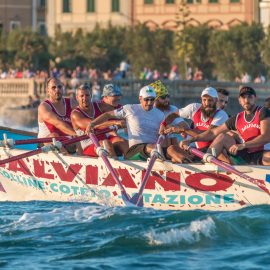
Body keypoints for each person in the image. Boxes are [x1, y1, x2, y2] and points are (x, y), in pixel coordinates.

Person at [86, 85, 191, 163]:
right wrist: (92, 124)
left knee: (172, 149)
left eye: (152, 100)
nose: (149, 103)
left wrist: (174, 129)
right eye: (146, 100)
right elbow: (107, 115)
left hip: (155, 149)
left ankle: (189, 164)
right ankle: (161, 158)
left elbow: (167, 133)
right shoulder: (129, 109)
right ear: (140, 98)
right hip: (134, 151)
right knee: (154, 147)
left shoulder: (160, 114)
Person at [180, 86, 270, 165]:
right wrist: (190, 140)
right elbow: (212, 132)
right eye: (243, 97)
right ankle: (205, 164)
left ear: (255, 98)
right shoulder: (237, 118)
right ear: (239, 100)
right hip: (244, 155)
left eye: (250, 97)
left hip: (261, 154)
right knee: (222, 137)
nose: (246, 100)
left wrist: (244, 145)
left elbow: (266, 137)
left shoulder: (263, 111)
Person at [161, 87, 228, 152]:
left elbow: (208, 135)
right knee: (171, 149)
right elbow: (174, 115)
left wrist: (183, 130)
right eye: (204, 100)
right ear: (201, 100)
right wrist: (163, 124)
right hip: (199, 150)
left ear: (216, 100)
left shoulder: (221, 115)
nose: (207, 103)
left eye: (210, 100)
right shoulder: (194, 108)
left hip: (214, 150)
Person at [71, 83, 123, 158]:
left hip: (104, 140)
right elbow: (94, 124)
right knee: (106, 143)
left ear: (91, 96)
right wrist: (116, 122)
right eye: (82, 96)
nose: (85, 98)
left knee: (121, 141)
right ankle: (117, 168)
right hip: (88, 146)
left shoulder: (99, 106)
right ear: (77, 98)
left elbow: (115, 109)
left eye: (87, 95)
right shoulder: (75, 114)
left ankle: (136, 164)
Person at [149, 80, 189, 146]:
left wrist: (175, 127)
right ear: (155, 99)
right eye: (163, 97)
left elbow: (186, 126)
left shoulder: (172, 109)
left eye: (167, 96)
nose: (167, 100)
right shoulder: (149, 110)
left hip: (169, 143)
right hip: (153, 143)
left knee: (173, 138)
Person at [97, 84, 129, 156]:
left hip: (112, 137)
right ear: (105, 97)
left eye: (119, 95)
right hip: (98, 140)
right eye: (115, 96)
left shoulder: (119, 107)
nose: (118, 98)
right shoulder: (96, 107)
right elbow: (95, 125)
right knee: (122, 141)